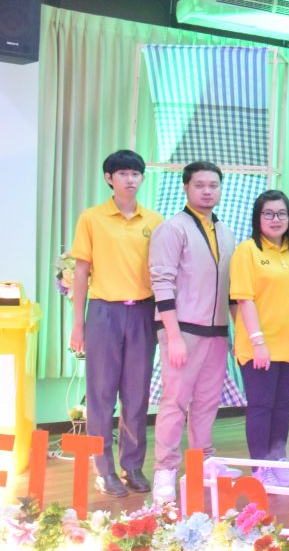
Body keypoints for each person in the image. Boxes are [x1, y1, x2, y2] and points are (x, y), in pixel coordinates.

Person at [69, 149, 163, 497]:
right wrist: (77, 325)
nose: (130, 179)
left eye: (135, 174)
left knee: (136, 395)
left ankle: (132, 466)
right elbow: (81, 272)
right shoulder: (92, 218)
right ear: (109, 178)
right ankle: (103, 470)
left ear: (142, 178)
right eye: (122, 173)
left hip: (142, 312)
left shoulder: (154, 221)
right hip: (103, 313)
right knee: (101, 395)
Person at [149, 160, 239, 502]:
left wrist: (236, 333)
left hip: (217, 331)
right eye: (199, 185)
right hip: (183, 330)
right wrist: (172, 336)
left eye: (213, 185)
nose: (207, 191)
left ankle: (203, 462)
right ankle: (165, 471)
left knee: (207, 402)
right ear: (186, 187)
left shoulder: (225, 232)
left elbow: (231, 289)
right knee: (174, 402)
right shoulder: (172, 229)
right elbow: (162, 282)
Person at [230, 190, 289, 488]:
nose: (275, 219)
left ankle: (278, 461)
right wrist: (258, 342)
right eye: (268, 213)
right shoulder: (247, 251)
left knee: (282, 406)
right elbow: (244, 300)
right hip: (258, 346)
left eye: (281, 213)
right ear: (258, 217)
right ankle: (260, 468)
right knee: (261, 406)